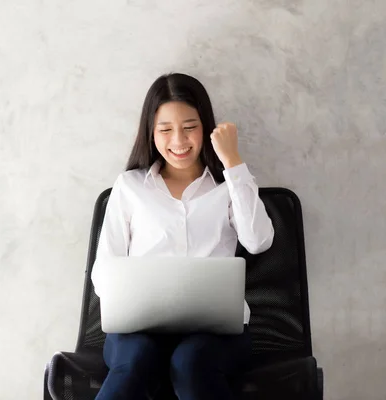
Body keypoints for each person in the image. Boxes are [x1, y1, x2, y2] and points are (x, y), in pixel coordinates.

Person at [91, 73, 275, 400]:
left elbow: (259, 240)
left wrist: (232, 162)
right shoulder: (130, 187)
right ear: (150, 132)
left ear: (206, 127)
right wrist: (130, 302)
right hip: (138, 331)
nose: (179, 140)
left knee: (191, 362)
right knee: (135, 360)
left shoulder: (227, 186)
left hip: (214, 334)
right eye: (165, 130)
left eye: (190, 127)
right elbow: (104, 269)